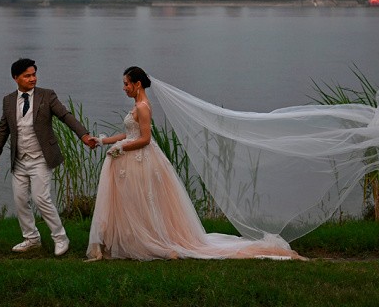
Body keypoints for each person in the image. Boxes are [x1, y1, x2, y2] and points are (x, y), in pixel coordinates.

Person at [86, 66, 304, 261]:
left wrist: (121, 147)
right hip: (133, 160)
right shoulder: (137, 105)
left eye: (126, 84)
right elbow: (130, 133)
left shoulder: (143, 107)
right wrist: (104, 141)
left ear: (137, 84)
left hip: (141, 160)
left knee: (142, 202)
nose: (124, 88)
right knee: (136, 202)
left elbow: (144, 139)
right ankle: (135, 239)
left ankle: (151, 242)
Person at [0, 58, 96, 255]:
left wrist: (84, 135)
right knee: (20, 200)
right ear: (16, 78)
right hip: (19, 160)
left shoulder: (47, 96)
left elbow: (65, 116)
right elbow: (3, 130)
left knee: (41, 198)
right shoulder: (8, 100)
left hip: (41, 158)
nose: (32, 79)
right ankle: (31, 238)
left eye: (34, 74)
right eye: (27, 75)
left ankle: (61, 237)